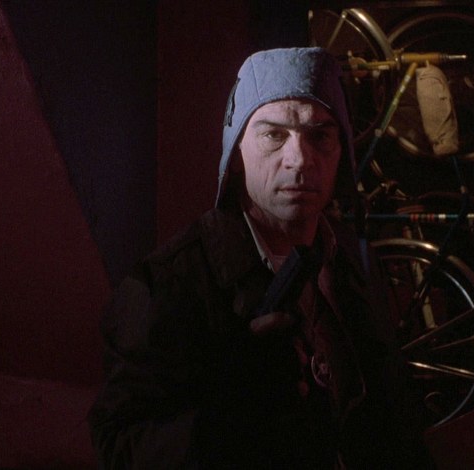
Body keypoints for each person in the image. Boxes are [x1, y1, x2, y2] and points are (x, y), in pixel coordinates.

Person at [88, 47, 433, 469]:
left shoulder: (351, 262)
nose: (300, 160)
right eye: (274, 135)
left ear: (341, 150)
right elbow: (119, 447)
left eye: (320, 136)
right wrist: (229, 416)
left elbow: (392, 418)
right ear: (235, 153)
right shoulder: (166, 287)